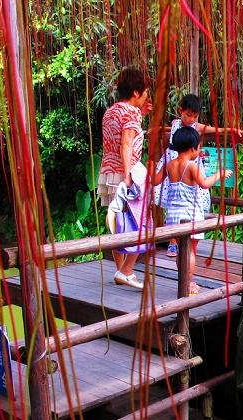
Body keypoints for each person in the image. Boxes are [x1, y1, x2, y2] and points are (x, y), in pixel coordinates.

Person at [154, 93, 243, 257]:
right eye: (188, 115)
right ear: (180, 111)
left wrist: (232, 130)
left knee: (189, 202)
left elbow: (217, 130)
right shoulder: (174, 124)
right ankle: (173, 242)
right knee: (172, 201)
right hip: (173, 162)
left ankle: (185, 240)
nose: (191, 119)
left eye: (194, 116)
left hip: (190, 164)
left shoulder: (196, 126)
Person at [97, 66, 153, 290]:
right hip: (127, 171)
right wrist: (129, 173)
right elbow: (127, 143)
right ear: (137, 93)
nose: (147, 97)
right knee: (141, 221)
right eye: (146, 92)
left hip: (108, 170)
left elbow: (123, 136)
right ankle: (127, 270)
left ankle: (120, 271)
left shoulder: (111, 111)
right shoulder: (131, 112)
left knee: (118, 223)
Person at [161, 126, 231, 295]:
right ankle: (188, 283)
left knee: (180, 249)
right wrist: (219, 174)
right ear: (193, 147)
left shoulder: (170, 164)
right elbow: (204, 183)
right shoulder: (191, 166)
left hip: (173, 214)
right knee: (191, 250)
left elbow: (156, 181)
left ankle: (183, 281)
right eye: (198, 147)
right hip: (190, 214)